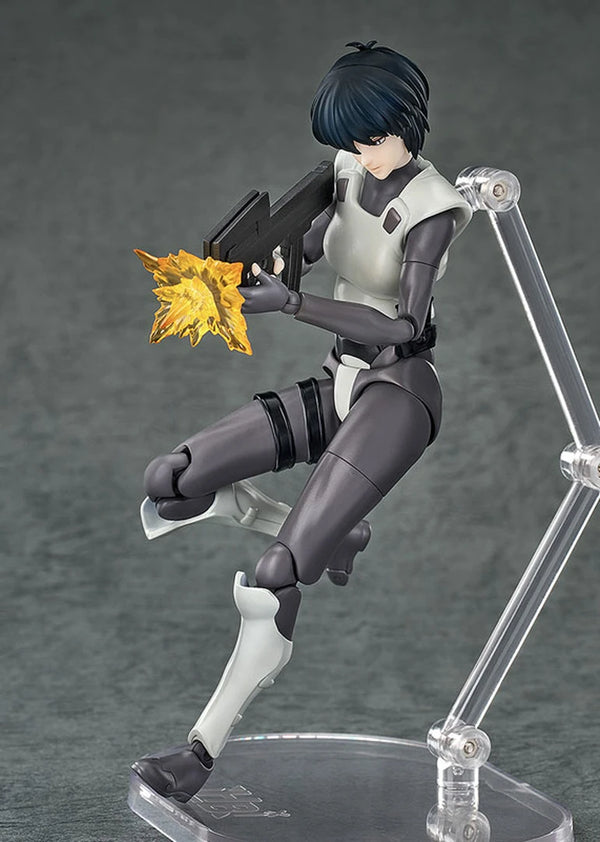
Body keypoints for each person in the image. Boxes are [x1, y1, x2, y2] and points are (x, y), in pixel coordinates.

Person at [132, 40, 472, 803]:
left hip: (398, 394)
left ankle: (200, 752)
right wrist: (252, 271)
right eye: (352, 141)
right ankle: (335, 532)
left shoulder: (433, 210)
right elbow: (314, 245)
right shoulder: (348, 171)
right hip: (339, 379)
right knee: (172, 480)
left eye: (373, 137)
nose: (363, 154)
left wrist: (290, 302)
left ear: (406, 124)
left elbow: (405, 324)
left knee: (278, 574)